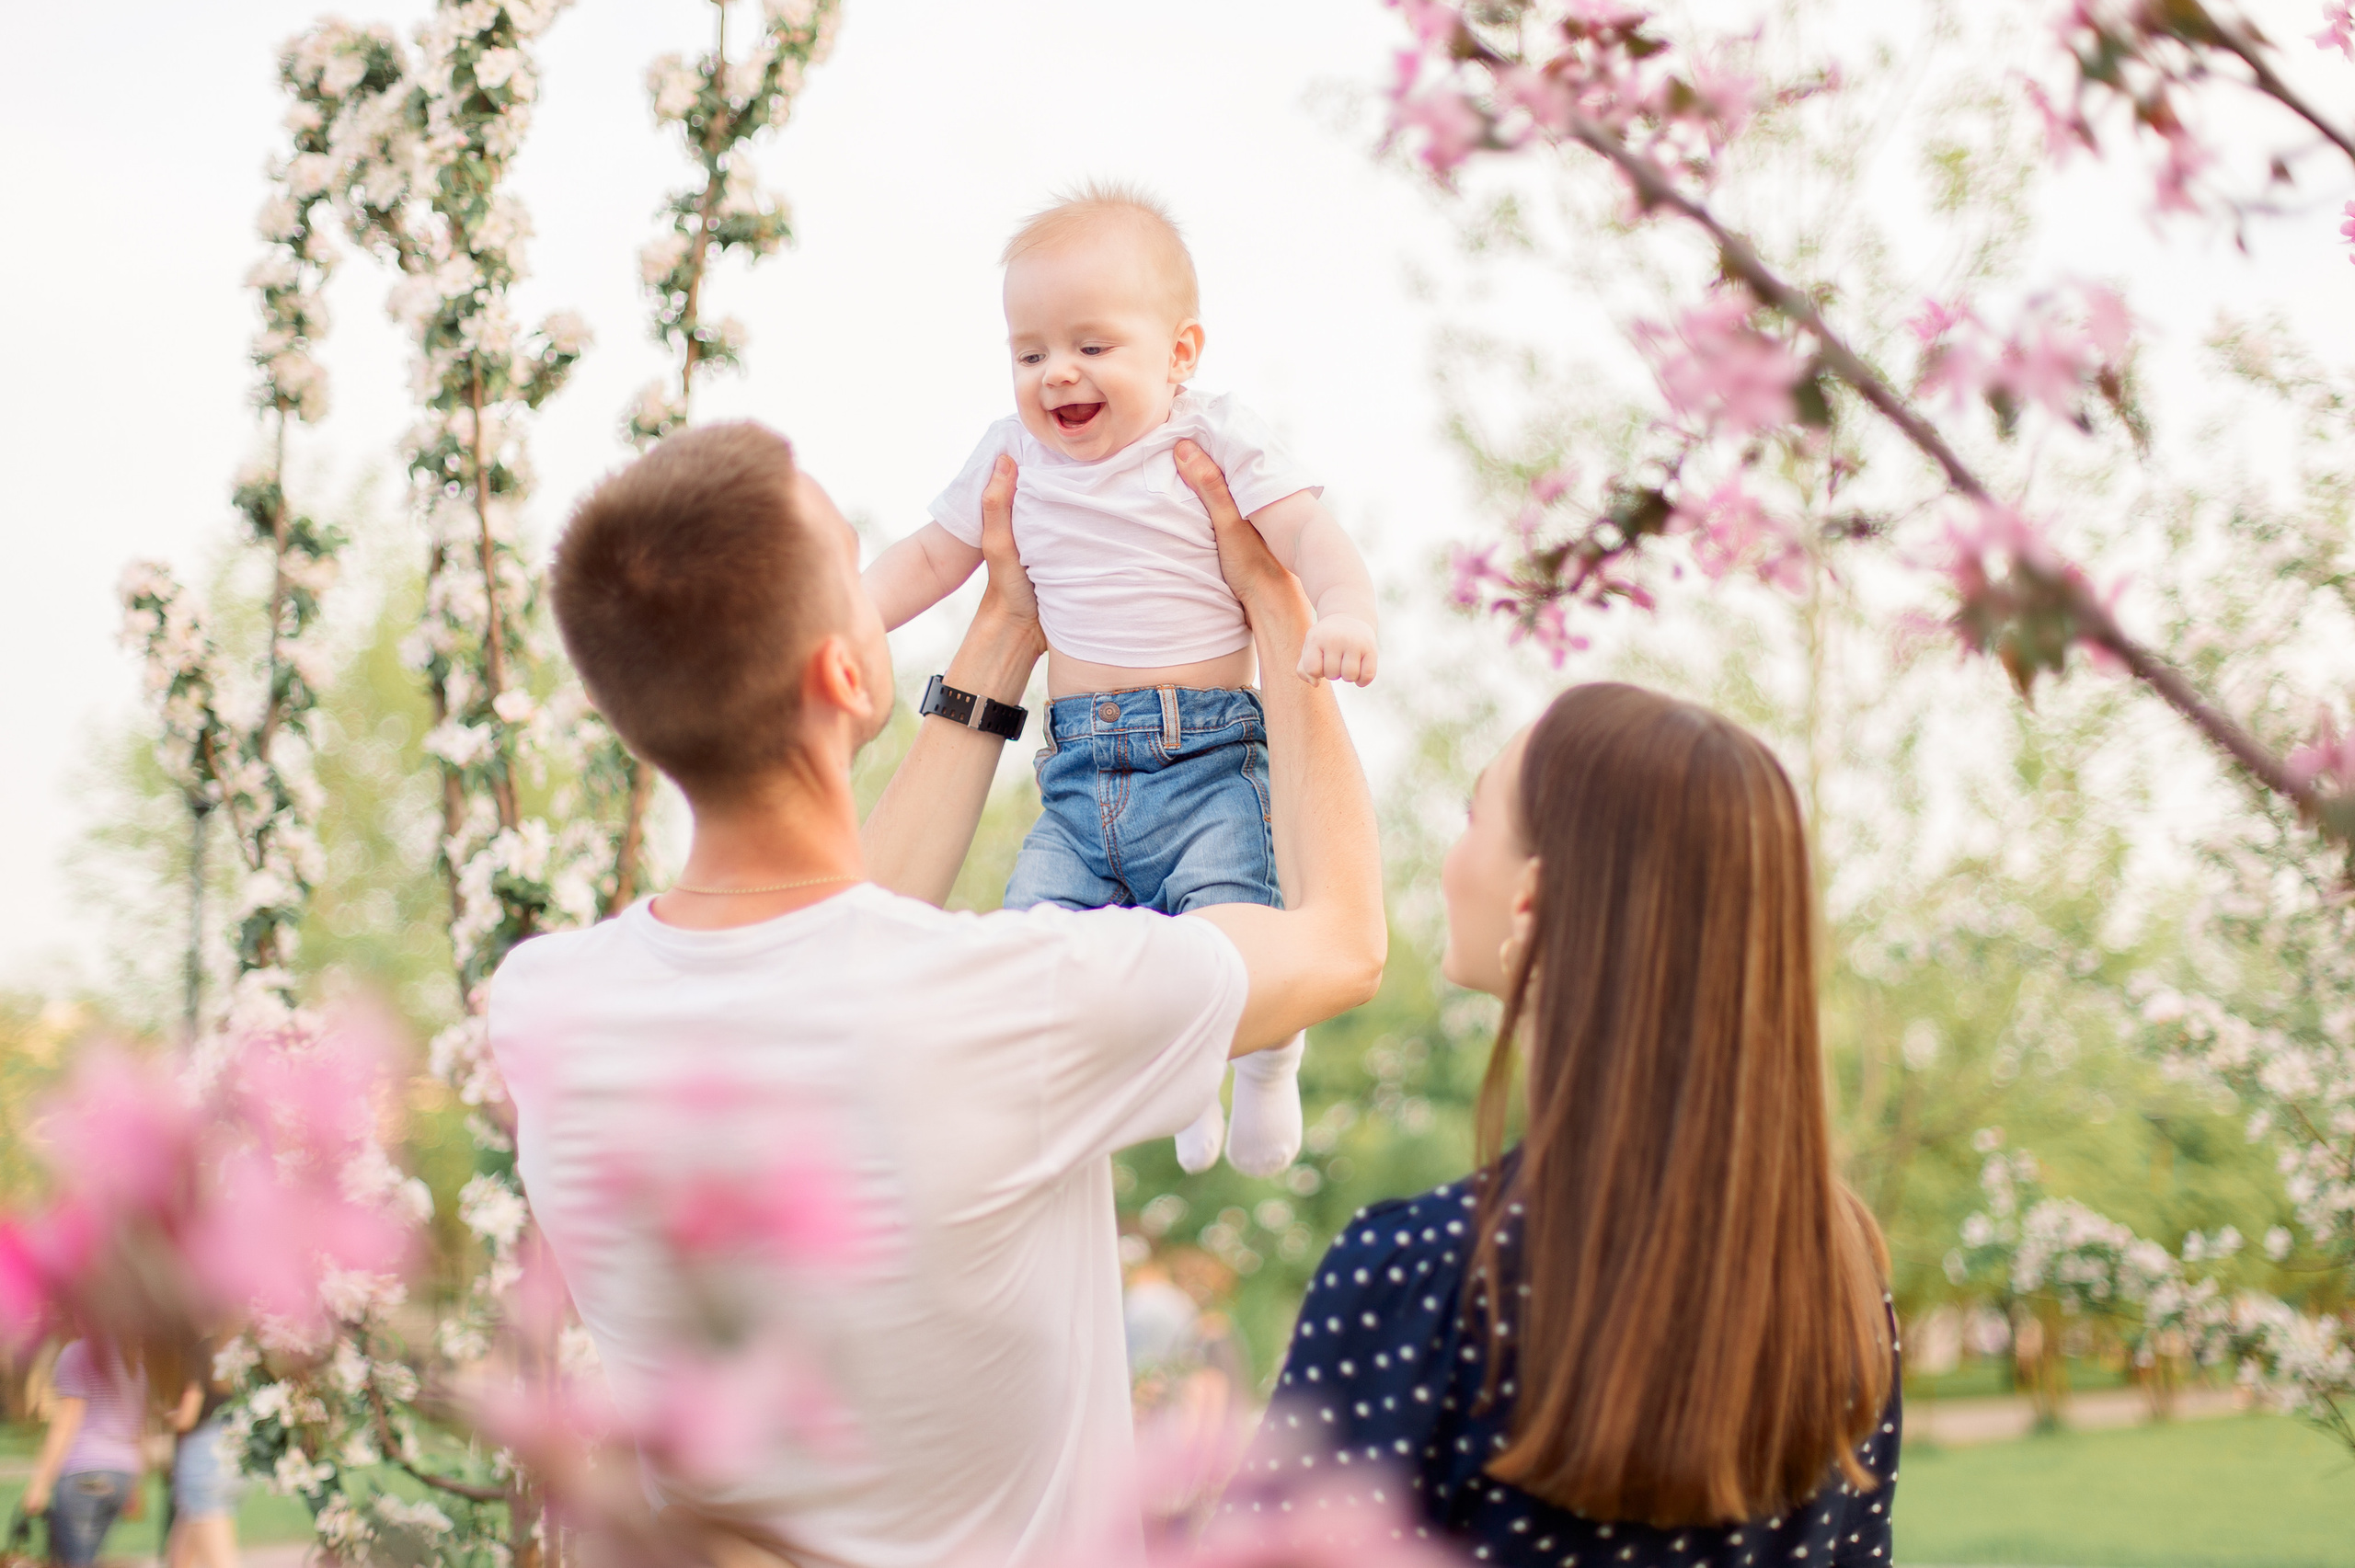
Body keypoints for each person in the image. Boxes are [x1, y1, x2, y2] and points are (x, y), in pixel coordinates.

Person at [490, 423, 1384, 1567]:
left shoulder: (542, 1009)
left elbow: (829, 943)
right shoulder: (1019, 1000)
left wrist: (1006, 626)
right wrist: (1275, 605)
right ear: (848, 673)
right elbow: (1343, 943)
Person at [1227, 683, 1901, 1565]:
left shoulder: (1421, 1275)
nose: (1449, 852)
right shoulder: (1837, 1266)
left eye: (1474, 816)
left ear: (1532, 903)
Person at [861, 182, 1384, 1178]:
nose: (1057, 373)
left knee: (1234, 934)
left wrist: (1346, 609)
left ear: (1180, 353)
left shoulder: (1215, 436)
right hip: (1076, 775)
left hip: (1205, 756)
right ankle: (1159, 1080)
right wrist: (845, 616)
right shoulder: (1010, 452)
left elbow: (1307, 533)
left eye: (1091, 346)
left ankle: (1264, 1064)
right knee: (1027, 947)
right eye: (1030, 352)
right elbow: (928, 559)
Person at [24, 1338, 150, 1568]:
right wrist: (134, 1487)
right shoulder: (133, 1359)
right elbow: (137, 1429)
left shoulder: (77, 1353)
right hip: (121, 1476)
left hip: (83, 1473)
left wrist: (40, 1484)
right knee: (85, 1558)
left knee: (74, 1560)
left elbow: (67, 1420)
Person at [167, 1348, 240, 1568]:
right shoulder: (231, 1352)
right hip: (231, 1450)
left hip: (203, 1456)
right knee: (179, 1559)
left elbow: (187, 1417)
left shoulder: (197, 1352)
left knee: (221, 1561)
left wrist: (165, 1415)